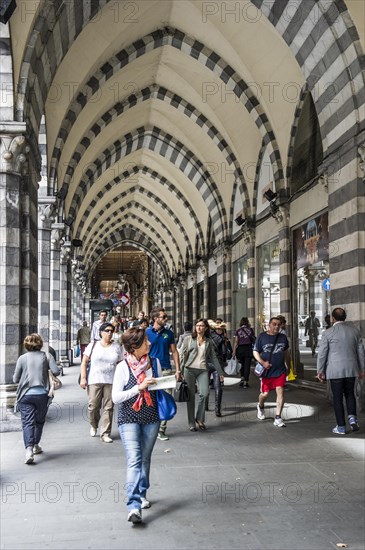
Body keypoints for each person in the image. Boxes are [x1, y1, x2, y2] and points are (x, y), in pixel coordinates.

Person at [112, 328, 160, 524]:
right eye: (145, 341)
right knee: (134, 459)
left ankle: (142, 493)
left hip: (151, 416)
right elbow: (116, 398)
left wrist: (163, 383)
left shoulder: (154, 363)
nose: (149, 344)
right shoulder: (123, 367)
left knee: (145, 459)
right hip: (129, 418)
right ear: (134, 346)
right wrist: (137, 388)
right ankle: (133, 506)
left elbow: (159, 389)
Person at [13, 333, 61, 464]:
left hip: (25, 395)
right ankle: (35, 445)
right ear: (40, 344)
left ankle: (29, 450)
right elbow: (56, 371)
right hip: (42, 395)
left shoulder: (22, 358)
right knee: (39, 421)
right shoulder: (47, 356)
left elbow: (15, 379)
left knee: (27, 422)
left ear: (26, 345)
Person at [316, 307, 365, 434]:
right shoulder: (354, 332)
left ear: (332, 318)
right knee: (350, 394)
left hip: (335, 371)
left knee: (337, 398)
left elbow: (322, 354)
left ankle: (341, 427)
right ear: (345, 317)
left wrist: (320, 371)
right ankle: (353, 418)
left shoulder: (328, 333)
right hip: (351, 370)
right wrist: (362, 369)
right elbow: (361, 352)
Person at [80, 322, 123, 442]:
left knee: (109, 407)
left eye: (111, 331)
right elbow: (84, 362)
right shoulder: (93, 345)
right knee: (93, 406)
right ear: (101, 332)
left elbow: (120, 364)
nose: (109, 333)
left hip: (111, 380)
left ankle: (105, 433)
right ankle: (94, 425)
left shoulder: (116, 347)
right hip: (95, 379)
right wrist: (83, 378)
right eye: (107, 331)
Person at [179, 318, 224, 431]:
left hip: (203, 370)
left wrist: (220, 372)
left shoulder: (208, 342)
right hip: (189, 370)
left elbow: (213, 357)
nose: (199, 327)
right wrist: (179, 370)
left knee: (204, 393)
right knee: (191, 397)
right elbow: (181, 356)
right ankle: (191, 423)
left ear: (206, 328)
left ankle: (199, 418)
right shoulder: (188, 339)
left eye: (201, 325)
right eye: (197, 325)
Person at [146, 308, 181, 441]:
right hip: (151, 371)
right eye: (163, 316)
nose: (166, 318)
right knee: (151, 399)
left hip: (166, 369)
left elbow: (175, 351)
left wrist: (177, 369)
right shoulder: (146, 332)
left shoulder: (169, 333)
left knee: (166, 398)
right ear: (156, 318)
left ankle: (161, 429)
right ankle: (151, 426)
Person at [253, 317, 291, 428]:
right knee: (265, 394)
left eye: (279, 325)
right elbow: (255, 352)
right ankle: (260, 406)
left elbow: (286, 354)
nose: (276, 326)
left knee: (280, 391)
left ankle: (278, 417)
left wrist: (289, 367)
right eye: (274, 324)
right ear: (269, 325)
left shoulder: (283, 338)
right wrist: (262, 362)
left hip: (280, 370)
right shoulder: (262, 337)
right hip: (267, 371)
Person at [207, 319, 227, 417]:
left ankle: (205, 405)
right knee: (218, 387)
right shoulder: (220, 338)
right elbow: (224, 352)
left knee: (205, 385)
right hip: (217, 364)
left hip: (206, 363)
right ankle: (217, 409)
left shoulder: (206, 336)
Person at [232, 317, 255, 388]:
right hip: (248, 349)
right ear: (247, 322)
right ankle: (246, 381)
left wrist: (234, 351)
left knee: (241, 365)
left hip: (240, 349)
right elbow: (253, 339)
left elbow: (236, 342)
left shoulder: (238, 330)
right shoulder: (250, 330)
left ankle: (242, 378)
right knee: (247, 366)